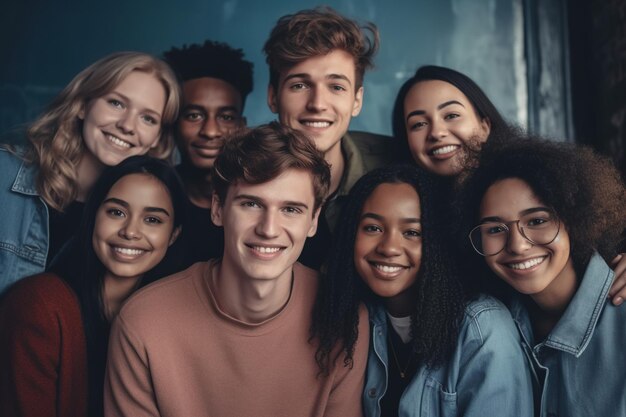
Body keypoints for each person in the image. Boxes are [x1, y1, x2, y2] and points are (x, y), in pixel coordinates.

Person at [104, 123, 369, 417]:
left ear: (314, 220)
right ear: (218, 208)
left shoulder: (343, 316)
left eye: (290, 209)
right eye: (252, 204)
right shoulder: (143, 322)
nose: (268, 229)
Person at [393, 64, 626, 304]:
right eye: (418, 124)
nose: (437, 132)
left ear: (485, 125)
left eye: (451, 115)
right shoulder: (410, 216)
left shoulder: (546, 181)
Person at [312, 164, 533, 416]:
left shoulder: (483, 328)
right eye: (373, 228)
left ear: (437, 242)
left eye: (412, 232)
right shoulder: (354, 317)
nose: (389, 248)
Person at [0, 155, 185, 417]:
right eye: (116, 212)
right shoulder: (38, 305)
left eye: (152, 219)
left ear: (174, 234)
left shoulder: (166, 321)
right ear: (93, 217)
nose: (130, 231)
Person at [462, 136, 626, 416]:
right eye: (495, 229)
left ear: (574, 220)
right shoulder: (488, 324)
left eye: (537, 221)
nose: (517, 245)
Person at [0, 51, 180, 293]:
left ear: (157, 137)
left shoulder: (143, 227)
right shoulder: (5, 172)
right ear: (83, 105)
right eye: (116, 103)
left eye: (148, 118)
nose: (127, 125)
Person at [263, 7, 397, 267]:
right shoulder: (243, 173)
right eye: (300, 85)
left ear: (357, 101)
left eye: (336, 87)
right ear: (272, 97)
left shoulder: (396, 167)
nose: (318, 104)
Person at [162, 40, 253, 264]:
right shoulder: (152, 193)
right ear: (173, 121)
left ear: (242, 126)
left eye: (226, 117)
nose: (210, 131)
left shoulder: (259, 202)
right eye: (194, 115)